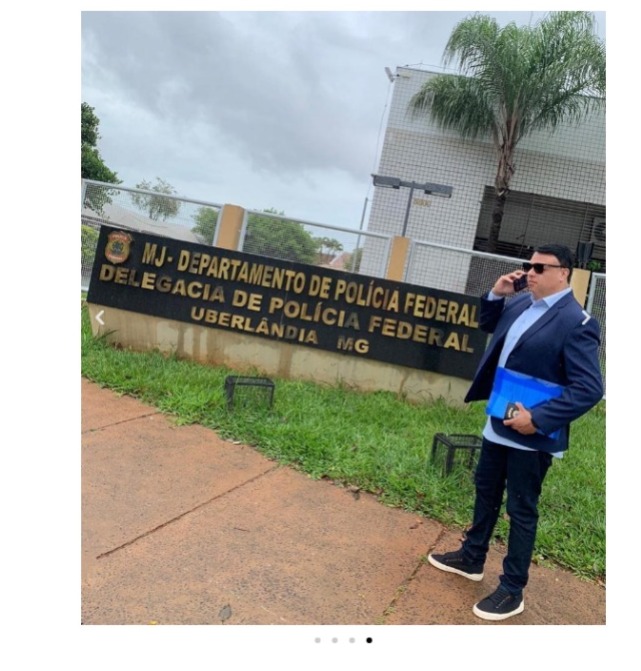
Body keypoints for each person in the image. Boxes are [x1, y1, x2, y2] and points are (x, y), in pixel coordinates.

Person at [428, 244, 603, 621]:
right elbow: (489, 325)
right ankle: (472, 557)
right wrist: (496, 294)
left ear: (564, 273)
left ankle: (512, 589)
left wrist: (538, 419)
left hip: (533, 434)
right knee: (485, 490)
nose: (530, 272)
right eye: (528, 265)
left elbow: (589, 388)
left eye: (540, 267)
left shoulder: (577, 322)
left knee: (521, 509)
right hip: (499, 420)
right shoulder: (522, 302)